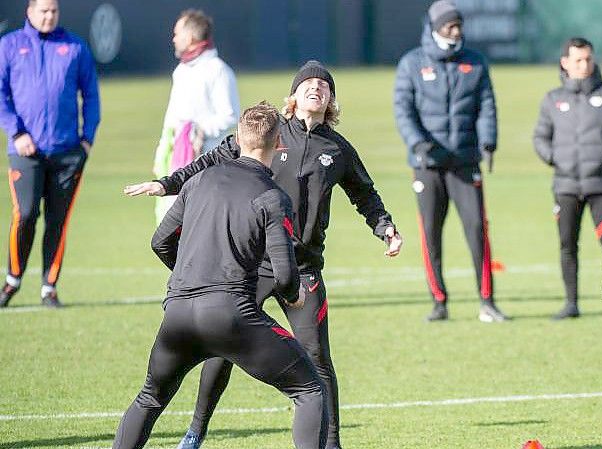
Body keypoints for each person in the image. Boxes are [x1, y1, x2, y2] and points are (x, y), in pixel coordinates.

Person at [123, 60, 402, 449]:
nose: (316, 88)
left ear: (331, 100)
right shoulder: (268, 134)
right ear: (294, 95)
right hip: (251, 267)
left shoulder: (337, 150)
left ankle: (332, 443)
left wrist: (384, 226)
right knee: (221, 349)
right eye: (309, 83)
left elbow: (365, 194)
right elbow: (210, 163)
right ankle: (196, 431)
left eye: (324, 85)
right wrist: (167, 184)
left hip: (302, 268)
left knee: (317, 357)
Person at [112, 102, 328, 449]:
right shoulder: (273, 197)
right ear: (278, 144)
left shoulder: (197, 181)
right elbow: (286, 276)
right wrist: (294, 295)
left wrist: (189, 277)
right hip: (230, 316)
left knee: (150, 398)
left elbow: (160, 241)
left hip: (178, 314)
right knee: (309, 389)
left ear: (238, 138)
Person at [394, 0, 507, 322]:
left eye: (459, 25)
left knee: (476, 228)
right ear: (434, 27)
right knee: (430, 232)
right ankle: (439, 301)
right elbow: (403, 110)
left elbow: (487, 105)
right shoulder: (411, 63)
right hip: (427, 164)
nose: (456, 31)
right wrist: (418, 143)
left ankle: (487, 301)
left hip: (465, 161)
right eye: (450, 26)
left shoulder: (475, 62)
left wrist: (489, 141)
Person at [0, 0, 100, 308]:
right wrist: (16, 133)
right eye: (43, 10)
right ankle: (13, 280)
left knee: (58, 221)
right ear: (29, 11)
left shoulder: (75, 47)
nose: (49, 16)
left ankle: (49, 287)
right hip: (25, 152)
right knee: (26, 214)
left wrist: (86, 141)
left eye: (53, 11)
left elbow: (91, 95)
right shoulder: (9, 45)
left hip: (67, 153)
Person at [533, 37, 602, 320]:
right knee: (568, 245)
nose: (584, 64)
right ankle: (571, 303)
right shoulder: (553, 99)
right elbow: (540, 137)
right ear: (565, 62)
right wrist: (554, 158)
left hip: (601, 185)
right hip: (565, 186)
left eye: (588, 59)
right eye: (578, 60)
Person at [153, 9, 239, 223]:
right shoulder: (181, 70)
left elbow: (230, 115)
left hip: (208, 161)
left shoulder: (218, 70)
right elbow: (172, 118)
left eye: (177, 34)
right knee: (171, 222)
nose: (173, 39)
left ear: (190, 37)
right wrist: (162, 152)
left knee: (203, 221)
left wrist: (200, 131)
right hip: (177, 160)